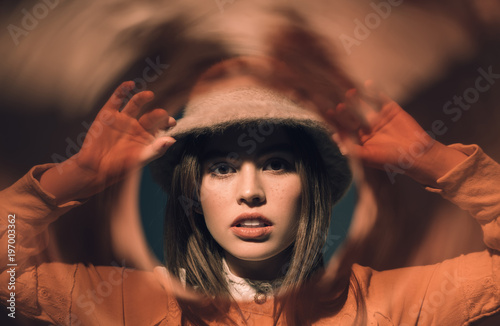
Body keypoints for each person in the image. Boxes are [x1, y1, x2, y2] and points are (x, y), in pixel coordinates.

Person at [1, 56, 499, 326]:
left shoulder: (394, 303)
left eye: (277, 164)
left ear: (313, 189)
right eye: (220, 169)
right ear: (192, 193)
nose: (250, 192)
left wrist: (435, 159)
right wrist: (68, 179)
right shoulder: (126, 304)